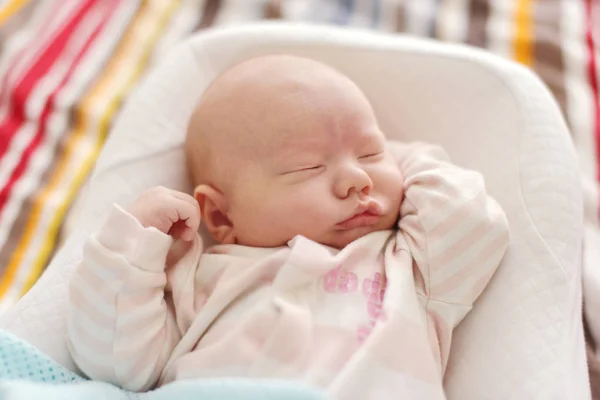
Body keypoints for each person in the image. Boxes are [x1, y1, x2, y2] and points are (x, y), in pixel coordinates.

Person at [67, 55, 509, 399]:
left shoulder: (408, 265)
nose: (357, 178)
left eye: (371, 153)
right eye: (309, 166)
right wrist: (133, 247)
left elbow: (472, 217)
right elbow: (112, 363)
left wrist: (399, 158)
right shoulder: (196, 279)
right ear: (221, 216)